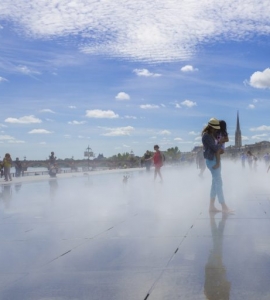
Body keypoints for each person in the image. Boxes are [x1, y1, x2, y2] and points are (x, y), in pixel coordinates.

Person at [202, 118, 231, 213]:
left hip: (215, 159)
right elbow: (215, 148)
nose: (216, 130)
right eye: (215, 128)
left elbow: (217, 147)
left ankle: (211, 206)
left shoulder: (211, 135)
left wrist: (220, 144)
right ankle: (223, 206)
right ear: (211, 127)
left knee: (214, 184)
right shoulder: (206, 136)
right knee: (219, 183)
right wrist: (221, 143)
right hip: (212, 160)